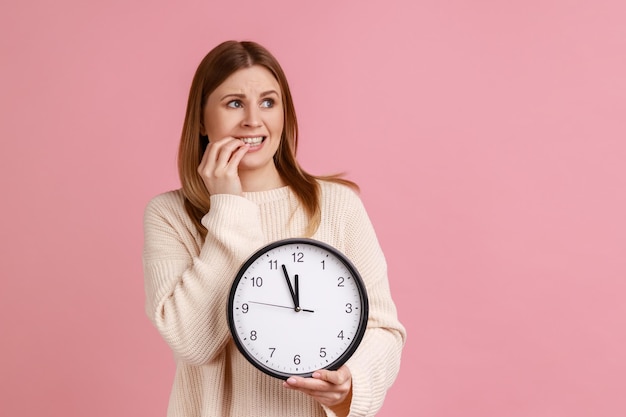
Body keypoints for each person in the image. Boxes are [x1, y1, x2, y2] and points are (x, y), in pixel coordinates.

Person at [143, 40, 406, 417]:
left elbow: (382, 329)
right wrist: (229, 208)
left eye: (268, 102)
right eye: (234, 103)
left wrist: (351, 382)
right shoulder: (170, 215)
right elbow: (193, 343)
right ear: (201, 119)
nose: (253, 120)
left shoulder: (336, 204)